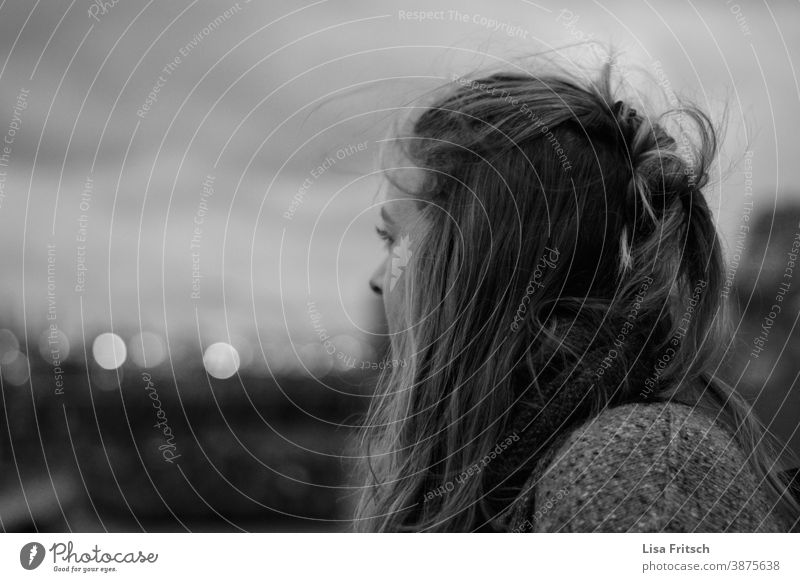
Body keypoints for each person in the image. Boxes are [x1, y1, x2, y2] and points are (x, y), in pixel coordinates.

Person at [354, 60, 800, 532]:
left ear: (475, 268)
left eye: (392, 239)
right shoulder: (542, 462)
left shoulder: (631, 465)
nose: (379, 279)